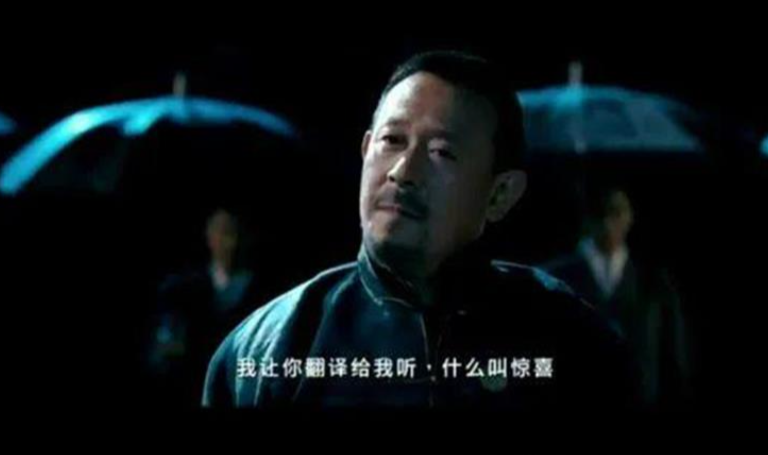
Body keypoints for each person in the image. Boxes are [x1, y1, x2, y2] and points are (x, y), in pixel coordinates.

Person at [203, 51, 637, 408]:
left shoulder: (572, 342)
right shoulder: (268, 348)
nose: (403, 171)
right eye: (391, 141)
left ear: (500, 193)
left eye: (441, 152)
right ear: (365, 150)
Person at [545, 185, 691, 407]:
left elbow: (673, 353)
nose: (608, 224)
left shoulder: (652, 280)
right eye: (600, 214)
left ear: (630, 216)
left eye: (616, 213)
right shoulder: (555, 277)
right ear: (587, 220)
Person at [149, 208, 266, 406]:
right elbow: (166, 348)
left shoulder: (263, 291)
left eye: (235, 233)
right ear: (209, 237)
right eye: (223, 233)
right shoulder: (181, 290)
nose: (230, 243)